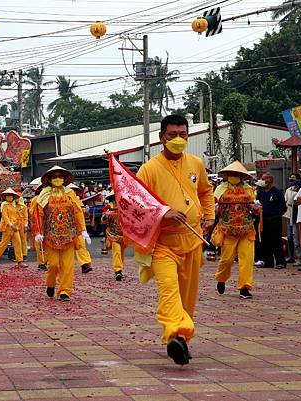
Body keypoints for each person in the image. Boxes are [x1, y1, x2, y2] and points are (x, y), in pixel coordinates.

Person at [135, 115, 215, 366]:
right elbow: (135, 203)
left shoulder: (196, 163)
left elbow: (205, 191)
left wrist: (210, 216)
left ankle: (180, 339)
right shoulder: (148, 169)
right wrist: (163, 212)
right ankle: (173, 334)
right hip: (163, 243)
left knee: (187, 296)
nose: (179, 139)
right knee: (169, 291)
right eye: (173, 135)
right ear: (162, 137)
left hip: (191, 239)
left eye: (183, 134)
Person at [33, 166, 89, 302]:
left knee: (67, 266)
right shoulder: (45, 194)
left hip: (69, 235)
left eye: (60, 177)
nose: (57, 179)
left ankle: (65, 291)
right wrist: (38, 232)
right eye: (54, 177)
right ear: (50, 179)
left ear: (64, 179)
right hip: (51, 236)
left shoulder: (70, 194)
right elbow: (38, 214)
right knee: (53, 265)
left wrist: (83, 230)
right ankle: (51, 284)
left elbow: (77, 212)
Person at [212, 161, 260, 299]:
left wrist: (256, 209)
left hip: (246, 229)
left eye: (237, 174)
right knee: (226, 259)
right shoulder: (220, 188)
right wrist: (216, 208)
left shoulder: (248, 189)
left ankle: (245, 288)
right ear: (227, 176)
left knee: (247, 260)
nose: (234, 176)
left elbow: (253, 207)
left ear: (242, 176)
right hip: (228, 229)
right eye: (232, 174)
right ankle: (221, 278)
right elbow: (214, 206)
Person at [255, 172, 287, 269]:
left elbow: (283, 207)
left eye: (265, 178)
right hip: (263, 219)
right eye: (262, 178)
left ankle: (280, 261)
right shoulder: (261, 192)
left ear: (270, 180)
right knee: (265, 240)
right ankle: (268, 261)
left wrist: (276, 215)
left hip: (274, 219)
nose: (263, 180)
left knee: (276, 240)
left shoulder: (277, 192)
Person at [0, 188, 26, 267]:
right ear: (5, 197)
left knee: (18, 243)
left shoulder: (14, 205)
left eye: (11, 196)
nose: (9, 197)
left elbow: (16, 216)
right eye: (8, 196)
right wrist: (10, 225)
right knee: (3, 243)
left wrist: (16, 225)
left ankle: (20, 261)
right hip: (7, 227)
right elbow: (5, 217)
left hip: (14, 227)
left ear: (13, 197)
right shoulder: (4, 205)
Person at [101, 191, 126, 281]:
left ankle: (120, 269)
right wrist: (106, 216)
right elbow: (103, 220)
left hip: (123, 234)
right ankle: (117, 270)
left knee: (122, 253)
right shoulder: (109, 207)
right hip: (113, 234)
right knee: (117, 251)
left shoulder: (125, 206)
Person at [68, 183, 93, 274]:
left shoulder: (78, 201)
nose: (72, 192)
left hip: (78, 229)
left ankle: (85, 264)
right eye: (71, 190)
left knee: (81, 246)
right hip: (66, 228)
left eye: (74, 191)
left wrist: (86, 210)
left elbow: (83, 215)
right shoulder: (62, 200)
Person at [29, 184, 47, 271]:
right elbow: (34, 213)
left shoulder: (45, 198)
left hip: (46, 223)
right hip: (38, 223)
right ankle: (41, 263)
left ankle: (45, 261)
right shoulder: (36, 199)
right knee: (40, 245)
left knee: (46, 244)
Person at [16, 194, 29, 260]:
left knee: (23, 240)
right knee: (17, 240)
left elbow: (26, 217)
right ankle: (19, 255)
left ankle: (24, 254)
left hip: (22, 224)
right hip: (16, 224)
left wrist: (26, 225)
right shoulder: (14, 206)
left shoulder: (24, 207)